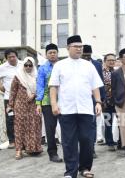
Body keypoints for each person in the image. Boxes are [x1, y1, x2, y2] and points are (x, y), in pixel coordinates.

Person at [49, 35, 103, 178]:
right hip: (66, 109)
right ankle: (70, 172)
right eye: (76, 46)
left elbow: (95, 87)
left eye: (81, 46)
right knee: (69, 142)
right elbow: (53, 87)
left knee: (87, 139)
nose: (79, 49)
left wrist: (98, 102)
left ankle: (84, 168)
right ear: (68, 48)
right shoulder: (59, 65)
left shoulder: (89, 65)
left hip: (86, 109)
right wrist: (54, 104)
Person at [7, 57, 43, 159]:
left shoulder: (37, 76)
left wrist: (34, 94)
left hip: (33, 105)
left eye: (30, 65)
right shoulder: (18, 77)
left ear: (33, 66)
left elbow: (41, 89)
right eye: (26, 65)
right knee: (19, 127)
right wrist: (10, 105)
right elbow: (13, 92)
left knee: (33, 126)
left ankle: (33, 148)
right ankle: (19, 150)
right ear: (23, 66)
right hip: (20, 106)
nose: (28, 67)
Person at [0, 49, 22, 149]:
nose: (12, 58)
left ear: (17, 56)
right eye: (9, 57)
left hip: (22, 98)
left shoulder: (23, 64)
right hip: (9, 98)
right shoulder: (3, 67)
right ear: (6, 58)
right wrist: (2, 88)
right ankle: (12, 141)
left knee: (22, 118)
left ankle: (23, 139)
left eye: (13, 56)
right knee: (10, 119)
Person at [36, 43, 63, 163]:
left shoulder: (63, 66)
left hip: (64, 101)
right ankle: (52, 153)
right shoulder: (42, 68)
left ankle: (69, 151)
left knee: (67, 127)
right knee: (50, 129)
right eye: (50, 53)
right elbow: (40, 86)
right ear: (46, 55)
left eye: (54, 52)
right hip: (47, 102)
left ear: (57, 53)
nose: (52, 54)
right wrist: (38, 103)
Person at [82, 44, 106, 158]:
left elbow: (100, 82)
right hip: (81, 99)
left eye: (88, 55)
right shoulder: (78, 64)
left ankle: (91, 149)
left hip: (94, 100)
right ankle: (82, 148)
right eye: (84, 55)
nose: (86, 57)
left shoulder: (97, 64)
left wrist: (102, 99)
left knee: (92, 125)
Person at [102, 53, 118, 151]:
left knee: (121, 122)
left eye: (113, 60)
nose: (112, 62)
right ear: (105, 61)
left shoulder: (117, 72)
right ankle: (109, 142)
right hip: (106, 102)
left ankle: (120, 141)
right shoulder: (101, 72)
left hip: (118, 101)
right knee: (108, 122)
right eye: (109, 60)